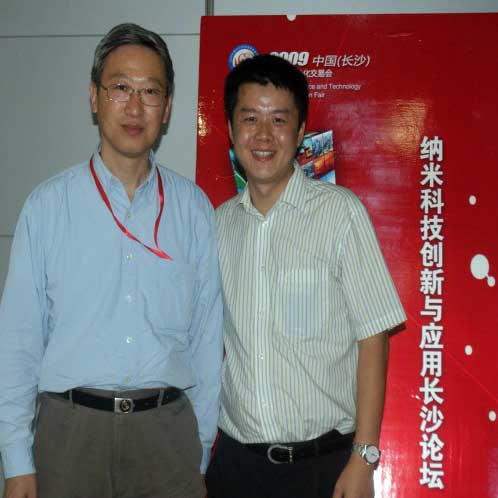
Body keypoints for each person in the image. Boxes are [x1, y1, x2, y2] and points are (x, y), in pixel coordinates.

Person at [0, 23, 223, 498]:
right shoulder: (48, 206)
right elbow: (18, 342)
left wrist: (199, 451)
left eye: (150, 91)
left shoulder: (193, 210)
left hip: (167, 439)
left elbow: (207, 341)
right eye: (120, 87)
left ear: (167, 108)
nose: (135, 107)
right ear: (94, 97)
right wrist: (16, 460)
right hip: (69, 437)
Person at [206, 54, 406, 498]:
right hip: (236, 466)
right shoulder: (217, 226)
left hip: (323, 467)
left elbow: (373, 337)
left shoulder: (340, 214)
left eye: (279, 119)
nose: (263, 134)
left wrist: (364, 458)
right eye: (249, 118)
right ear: (231, 130)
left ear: (299, 133)